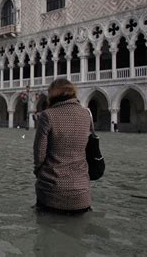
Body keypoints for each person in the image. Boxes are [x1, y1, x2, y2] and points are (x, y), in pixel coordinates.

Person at [33, 79, 91, 214]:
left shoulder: (48, 115)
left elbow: (39, 153)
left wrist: (38, 172)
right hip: (82, 194)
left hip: (51, 193)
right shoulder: (86, 114)